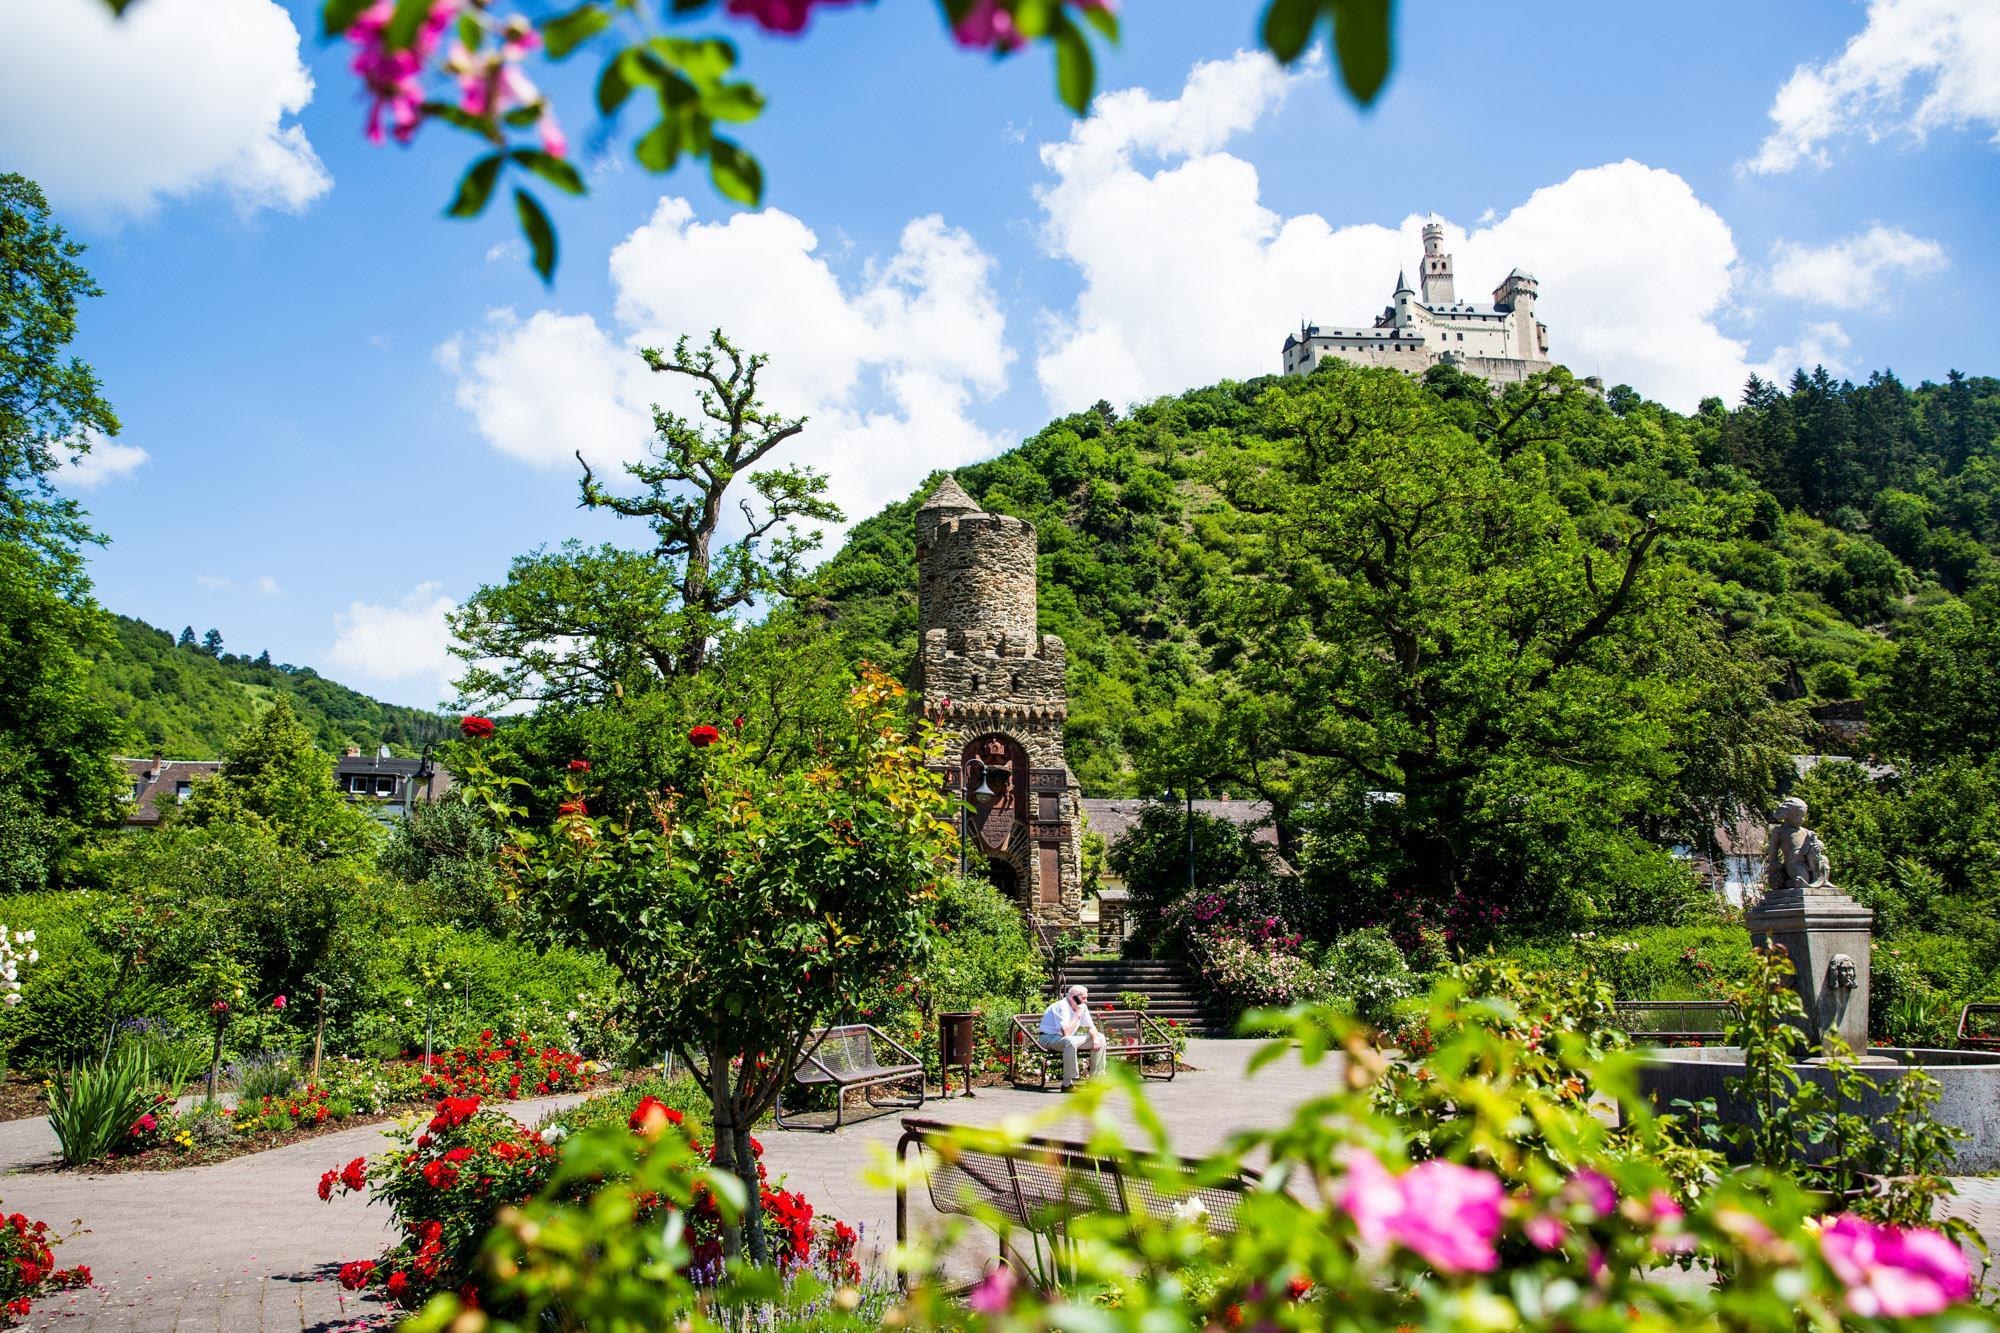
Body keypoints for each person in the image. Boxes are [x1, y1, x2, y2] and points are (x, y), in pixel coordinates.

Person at [1037, 984, 1105, 1091]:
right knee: (1070, 1041)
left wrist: (1095, 1038)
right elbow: (1066, 1033)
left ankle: (1094, 1081)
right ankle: (1067, 1084)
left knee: (1100, 1038)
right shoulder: (1060, 1006)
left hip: (1067, 1039)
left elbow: (1091, 1027)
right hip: (1048, 1038)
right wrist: (1077, 1014)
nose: (1086, 1001)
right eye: (1083, 998)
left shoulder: (1082, 1007)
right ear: (1073, 997)